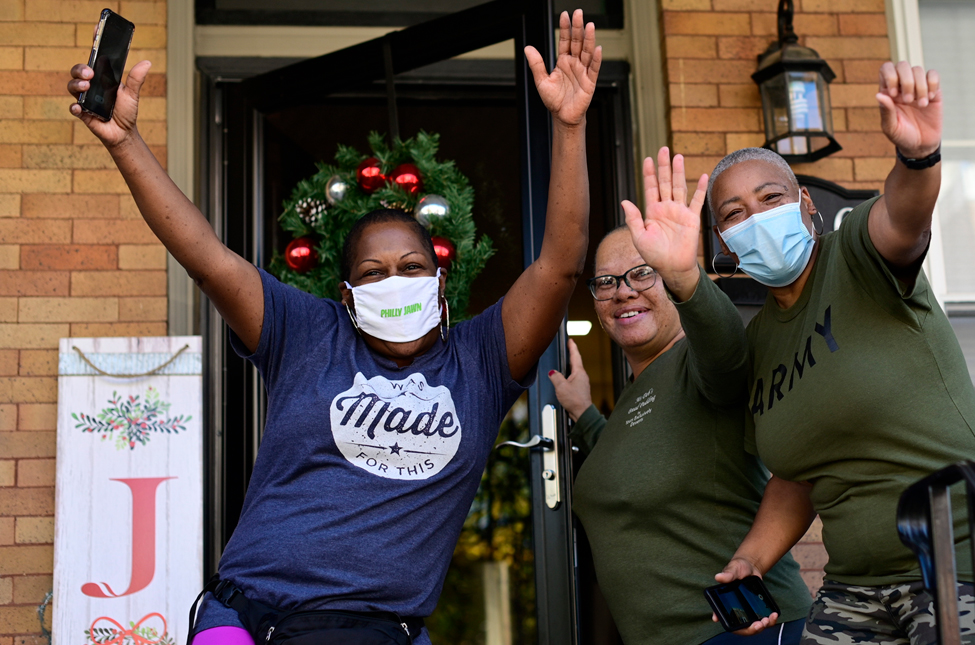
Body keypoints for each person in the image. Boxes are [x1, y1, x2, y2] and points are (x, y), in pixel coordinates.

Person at [67, 11, 602, 645]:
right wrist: (125, 142)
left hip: (374, 629)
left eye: (411, 266)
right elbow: (208, 258)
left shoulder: (481, 360)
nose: (393, 279)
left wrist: (569, 129)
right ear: (346, 295)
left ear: (439, 280)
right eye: (372, 272)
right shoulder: (308, 332)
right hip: (246, 615)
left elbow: (560, 266)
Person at [628, 62, 975, 644]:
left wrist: (918, 159)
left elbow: (903, 220)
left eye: (770, 198)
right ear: (724, 244)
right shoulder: (761, 344)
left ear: (806, 205)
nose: (755, 219)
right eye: (733, 216)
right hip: (857, 585)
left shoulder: (855, 255)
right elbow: (795, 477)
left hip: (970, 559)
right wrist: (750, 559)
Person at [550, 148, 813, 645]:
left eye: (643, 272)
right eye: (606, 282)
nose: (622, 291)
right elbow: (637, 458)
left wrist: (686, 276)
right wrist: (584, 412)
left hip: (742, 632)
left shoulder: (701, 364)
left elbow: (727, 349)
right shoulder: (635, 395)